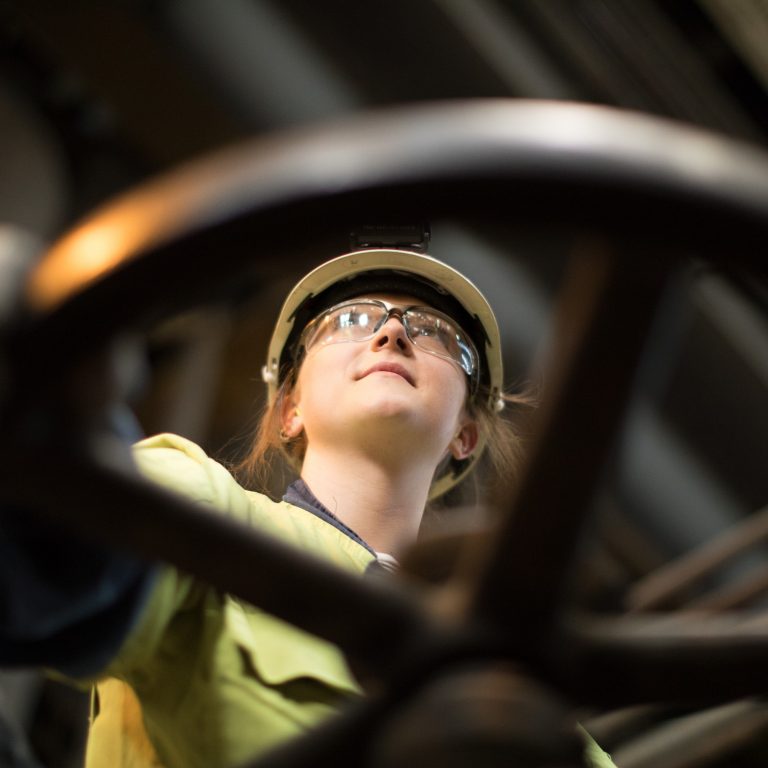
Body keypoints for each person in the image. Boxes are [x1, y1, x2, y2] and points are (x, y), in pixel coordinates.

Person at [0, 235, 613, 767]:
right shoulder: (202, 517)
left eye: (436, 333)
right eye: (350, 320)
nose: (393, 331)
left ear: (465, 433)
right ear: (289, 409)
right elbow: (70, 551)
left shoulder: (544, 705)